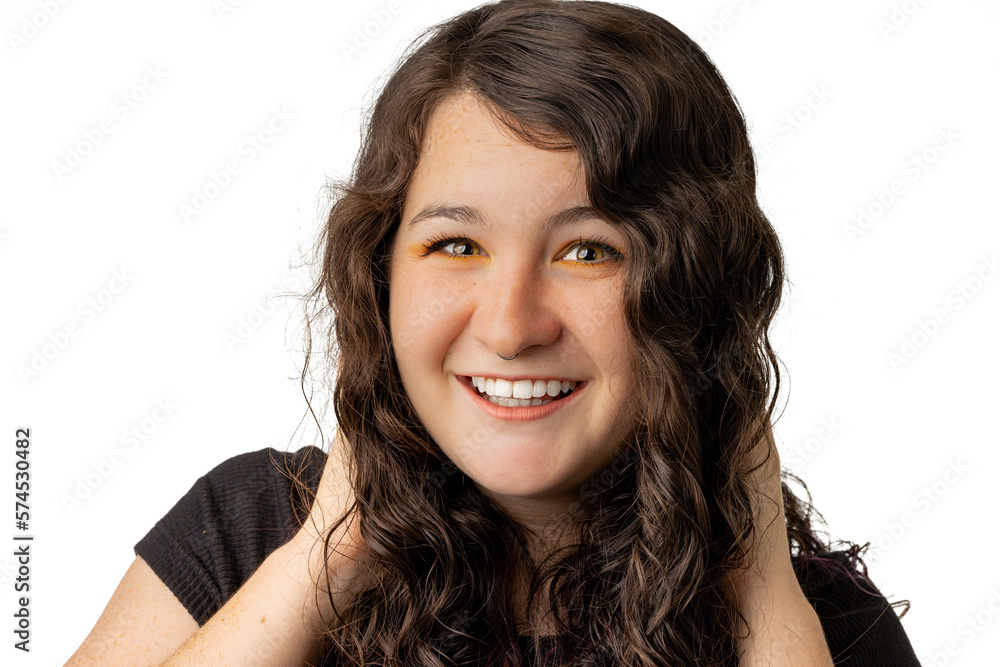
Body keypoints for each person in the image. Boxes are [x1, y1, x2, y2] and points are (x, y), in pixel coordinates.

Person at [65, 1, 921, 665]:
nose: (511, 326)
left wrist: (764, 592)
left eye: (589, 251)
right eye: (456, 244)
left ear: (692, 290)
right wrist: (326, 562)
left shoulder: (816, 625)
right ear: (381, 275)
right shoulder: (249, 531)